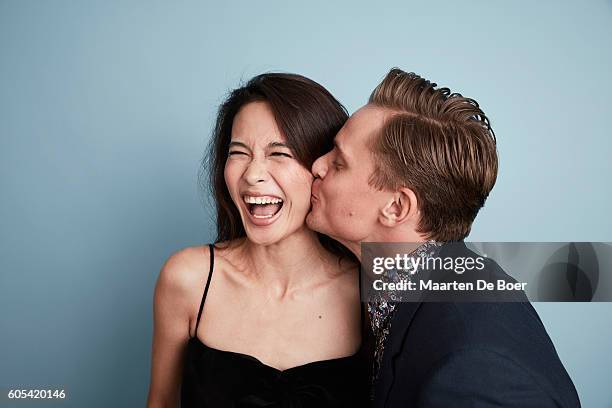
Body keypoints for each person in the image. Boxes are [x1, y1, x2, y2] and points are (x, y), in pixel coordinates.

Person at [306, 68, 581, 407]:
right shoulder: (406, 290)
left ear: (396, 207)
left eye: (339, 163)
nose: (317, 166)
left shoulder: (475, 363)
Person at [147, 73, 370, 407]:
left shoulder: (371, 284)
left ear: (322, 168)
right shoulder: (188, 279)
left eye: (279, 153)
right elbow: (161, 402)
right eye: (239, 152)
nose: (252, 175)